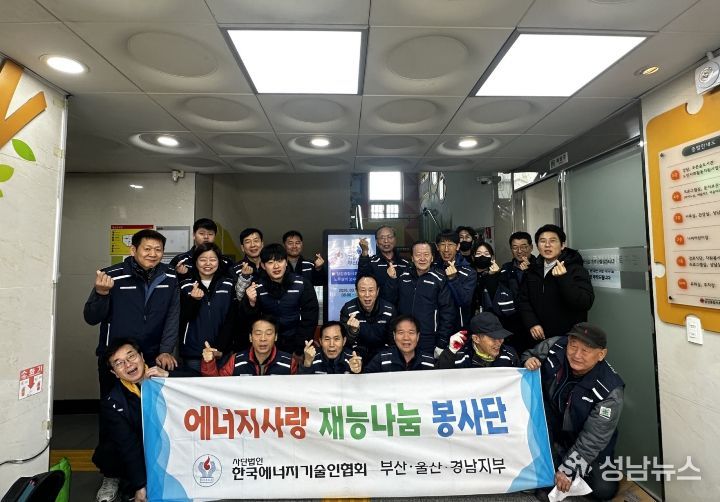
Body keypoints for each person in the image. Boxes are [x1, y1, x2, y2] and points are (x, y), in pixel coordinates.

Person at [83, 228, 180, 502]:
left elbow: (173, 315)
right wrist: (101, 294)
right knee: (114, 420)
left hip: (150, 360)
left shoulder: (170, 277)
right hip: (117, 363)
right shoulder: (111, 275)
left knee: (155, 419)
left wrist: (165, 350)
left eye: (158, 250)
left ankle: (152, 472)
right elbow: (91, 317)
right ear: (133, 250)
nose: (153, 254)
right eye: (147, 248)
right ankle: (111, 475)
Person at [523, 323, 623, 500]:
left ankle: (558, 464)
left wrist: (569, 468)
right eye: (573, 346)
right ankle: (552, 459)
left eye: (586, 350)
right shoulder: (555, 345)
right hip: (551, 424)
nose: (577, 355)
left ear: (601, 354)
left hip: (583, 439)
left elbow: (594, 438)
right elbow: (529, 354)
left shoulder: (610, 391)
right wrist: (527, 361)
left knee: (604, 489)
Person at [92, 338, 170, 502]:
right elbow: (128, 445)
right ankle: (112, 477)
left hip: (172, 443)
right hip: (141, 448)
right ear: (114, 372)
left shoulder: (163, 372)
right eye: (119, 363)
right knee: (110, 449)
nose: (128, 365)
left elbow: (199, 383)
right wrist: (140, 486)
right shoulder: (112, 402)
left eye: (131, 356)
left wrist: (169, 378)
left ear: (142, 356)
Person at [518, 224, 594, 344]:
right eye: (542, 241)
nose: (547, 245)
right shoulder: (533, 270)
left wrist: (563, 278)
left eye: (552, 241)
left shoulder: (575, 269)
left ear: (562, 245)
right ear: (537, 246)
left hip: (566, 338)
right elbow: (524, 300)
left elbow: (584, 303)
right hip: (538, 336)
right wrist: (532, 323)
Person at [243, 244, 319, 357]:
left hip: (296, 344)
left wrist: (299, 348)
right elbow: (249, 321)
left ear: (286, 262)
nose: (276, 266)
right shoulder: (256, 287)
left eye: (280, 261)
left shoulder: (302, 284)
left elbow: (310, 318)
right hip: (267, 346)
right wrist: (251, 303)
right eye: (270, 262)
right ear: (263, 265)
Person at [383, 241, 456, 355]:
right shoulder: (402, 276)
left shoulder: (440, 279)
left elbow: (447, 312)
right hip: (404, 336)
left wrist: (442, 342)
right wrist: (392, 280)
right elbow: (389, 302)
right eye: (418, 255)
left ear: (432, 258)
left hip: (428, 338)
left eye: (426, 254)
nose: (422, 258)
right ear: (412, 258)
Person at [178, 242, 239, 374]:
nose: (208, 263)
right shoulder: (185, 285)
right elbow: (181, 318)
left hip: (222, 353)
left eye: (212, 259)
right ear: (195, 262)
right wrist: (193, 301)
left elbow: (232, 319)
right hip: (194, 353)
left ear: (219, 261)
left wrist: (221, 348)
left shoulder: (228, 284)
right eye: (203, 259)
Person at [201, 315, 297, 376]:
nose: (263, 338)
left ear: (275, 337)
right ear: (250, 337)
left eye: (268, 333)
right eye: (258, 333)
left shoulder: (289, 362)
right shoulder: (236, 360)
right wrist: (208, 363)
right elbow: (216, 387)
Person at [339, 275, 396, 362]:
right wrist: (352, 331)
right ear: (356, 291)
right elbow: (344, 342)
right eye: (362, 290)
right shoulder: (348, 309)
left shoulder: (389, 310)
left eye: (371, 290)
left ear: (377, 291)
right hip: (357, 356)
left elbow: (393, 342)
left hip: (382, 356)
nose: (367, 295)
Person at [497, 231, 536, 354]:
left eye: (524, 247)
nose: (519, 251)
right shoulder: (506, 268)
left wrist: (529, 272)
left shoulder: (539, 267)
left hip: (533, 324)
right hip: (511, 324)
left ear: (531, 247)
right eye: (515, 247)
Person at [437, 312, 518, 369]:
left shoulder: (510, 354)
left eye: (501, 336)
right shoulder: (460, 356)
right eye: (493, 338)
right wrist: (450, 352)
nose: (499, 342)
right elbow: (440, 379)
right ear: (476, 339)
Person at [435, 229, 476, 329]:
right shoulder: (432, 269)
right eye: (442, 244)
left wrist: (453, 279)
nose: (446, 249)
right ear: (437, 247)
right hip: (435, 326)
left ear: (457, 246)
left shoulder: (469, 272)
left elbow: (465, 302)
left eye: (450, 244)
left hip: (457, 328)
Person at [364, 315, 436, 372]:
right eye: (401, 332)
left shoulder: (429, 362)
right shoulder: (381, 360)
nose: (406, 338)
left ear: (418, 336)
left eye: (411, 333)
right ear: (394, 335)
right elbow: (365, 379)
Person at [357, 225, 410, 301]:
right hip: (380, 307)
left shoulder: (405, 263)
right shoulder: (371, 262)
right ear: (376, 242)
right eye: (382, 238)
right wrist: (364, 252)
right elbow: (361, 279)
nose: (386, 241)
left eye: (389, 237)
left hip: (402, 307)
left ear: (395, 239)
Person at [470, 241, 501, 315]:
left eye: (486, 254)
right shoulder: (468, 274)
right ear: (473, 257)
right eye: (478, 253)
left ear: (492, 257)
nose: (482, 256)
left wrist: (492, 275)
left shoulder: (498, 275)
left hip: (491, 316)